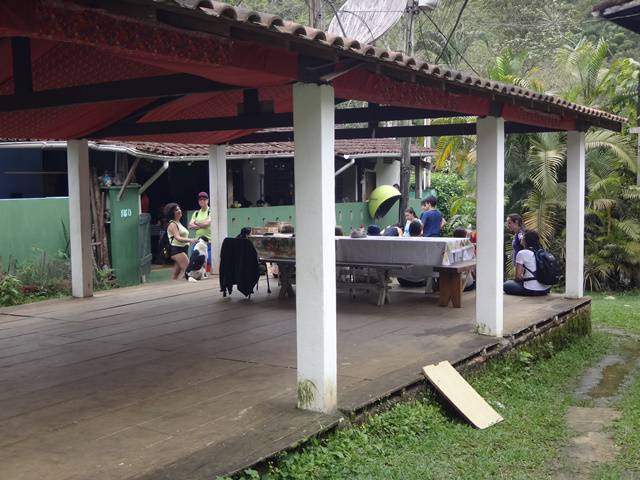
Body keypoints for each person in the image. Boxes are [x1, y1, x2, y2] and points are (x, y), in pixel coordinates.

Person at [503, 230, 551, 296]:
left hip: (530, 290)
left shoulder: (522, 253)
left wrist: (523, 277)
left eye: (523, 237)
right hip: (546, 289)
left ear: (526, 240)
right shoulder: (542, 252)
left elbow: (518, 277)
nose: (521, 238)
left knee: (506, 284)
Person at [165, 203, 197, 280]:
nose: (179, 211)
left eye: (179, 209)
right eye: (176, 210)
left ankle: (172, 288)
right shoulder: (172, 224)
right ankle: (180, 287)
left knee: (176, 274)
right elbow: (177, 238)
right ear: (171, 213)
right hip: (177, 250)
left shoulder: (179, 223)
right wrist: (191, 240)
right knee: (188, 271)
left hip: (183, 249)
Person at [396, 220, 427, 288]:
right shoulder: (426, 244)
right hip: (419, 281)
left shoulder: (402, 243)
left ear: (409, 230)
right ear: (421, 231)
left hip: (402, 280)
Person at [189, 192, 212, 271]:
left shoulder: (211, 211)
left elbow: (206, 224)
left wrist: (196, 222)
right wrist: (202, 224)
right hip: (197, 241)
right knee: (194, 259)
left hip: (208, 242)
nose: (202, 201)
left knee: (208, 261)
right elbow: (190, 226)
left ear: (207, 200)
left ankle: (206, 276)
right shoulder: (196, 213)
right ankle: (195, 274)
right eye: (200, 200)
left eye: (204, 199)